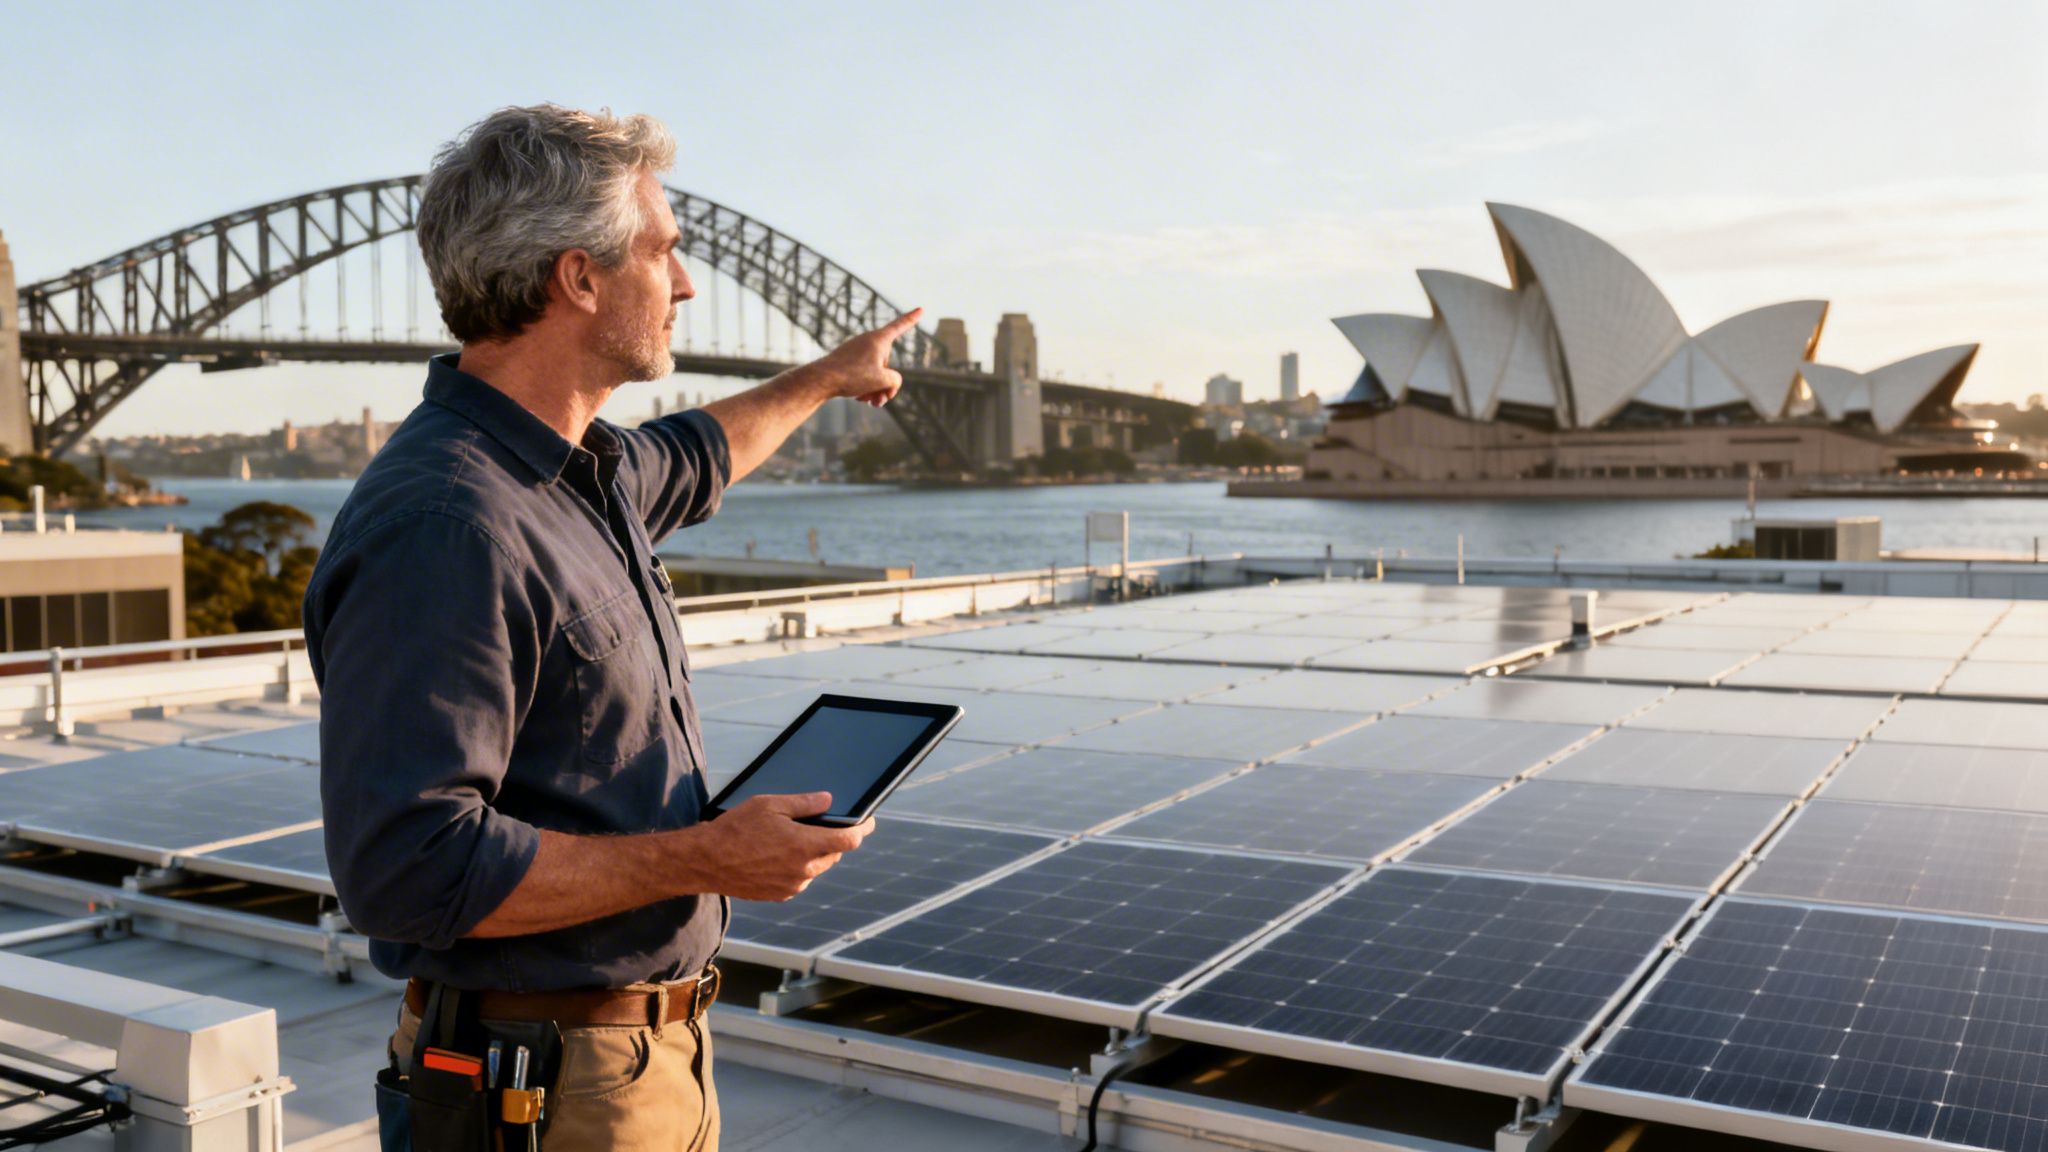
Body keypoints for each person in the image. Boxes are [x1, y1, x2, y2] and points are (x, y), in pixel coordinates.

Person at [304, 104, 919, 1151]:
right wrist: (704, 857)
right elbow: (408, 869)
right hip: (543, 1093)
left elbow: (703, 448)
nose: (684, 284)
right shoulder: (448, 522)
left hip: (635, 1065)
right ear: (578, 278)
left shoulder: (586, 472)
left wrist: (826, 377)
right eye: (663, 251)